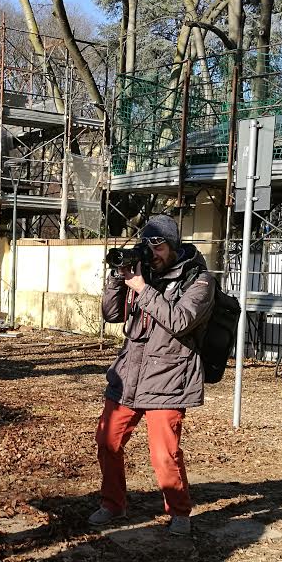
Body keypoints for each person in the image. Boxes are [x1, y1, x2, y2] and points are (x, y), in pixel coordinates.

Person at [90, 213, 215, 537]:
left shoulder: (198, 280)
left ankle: (179, 512)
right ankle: (113, 503)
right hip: (130, 374)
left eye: (158, 247)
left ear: (173, 246)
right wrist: (117, 279)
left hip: (169, 378)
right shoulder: (141, 273)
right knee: (108, 441)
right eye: (147, 246)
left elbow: (180, 320)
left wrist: (143, 288)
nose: (152, 253)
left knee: (164, 454)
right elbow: (112, 314)